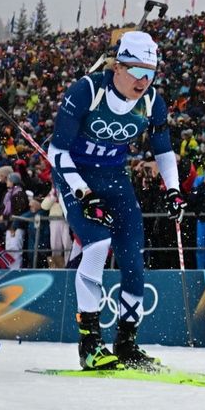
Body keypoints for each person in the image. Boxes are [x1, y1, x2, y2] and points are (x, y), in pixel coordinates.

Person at [47, 30, 185, 371]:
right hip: (76, 175)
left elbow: (164, 151)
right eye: (137, 72)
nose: (144, 81)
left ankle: (126, 344)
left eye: (150, 74)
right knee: (96, 244)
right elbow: (56, 150)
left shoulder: (152, 101)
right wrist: (84, 193)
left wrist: (174, 190)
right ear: (118, 68)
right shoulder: (88, 90)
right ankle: (90, 344)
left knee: (132, 254)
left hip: (114, 177)